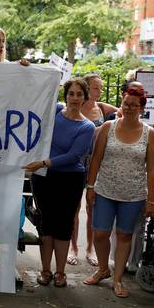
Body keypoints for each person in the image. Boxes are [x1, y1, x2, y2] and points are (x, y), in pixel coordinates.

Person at [83, 88, 154, 298]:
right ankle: (102, 268)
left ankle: (117, 278)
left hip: (133, 195)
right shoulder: (108, 127)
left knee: (125, 236)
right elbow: (96, 159)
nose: (129, 108)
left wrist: (150, 200)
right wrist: (90, 187)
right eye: (126, 103)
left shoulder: (149, 133)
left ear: (142, 108)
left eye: (134, 105)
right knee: (100, 233)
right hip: (105, 190)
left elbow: (152, 169)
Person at [23, 78, 95, 287]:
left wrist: (44, 162)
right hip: (43, 177)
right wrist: (26, 69)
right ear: (66, 95)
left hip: (69, 179)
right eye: (71, 93)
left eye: (79, 94)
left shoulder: (87, 126)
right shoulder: (55, 111)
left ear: (85, 97)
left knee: (63, 226)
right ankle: (45, 271)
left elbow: (75, 155)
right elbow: (32, 99)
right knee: (45, 224)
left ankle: (60, 272)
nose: (74, 98)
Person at [67, 74, 119, 267]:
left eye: (101, 87)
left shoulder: (103, 108)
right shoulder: (76, 107)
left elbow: (126, 113)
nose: (100, 91)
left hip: (97, 163)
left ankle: (90, 248)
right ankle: (73, 248)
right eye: (96, 88)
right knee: (74, 207)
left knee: (92, 208)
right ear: (87, 89)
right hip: (76, 161)